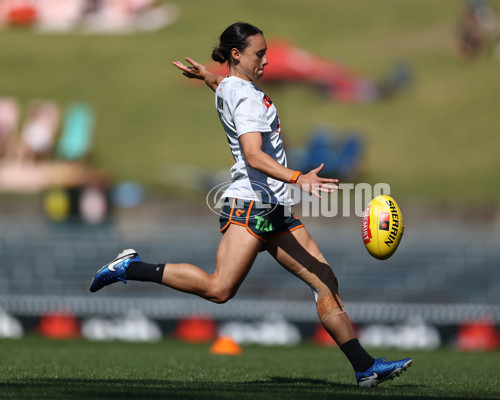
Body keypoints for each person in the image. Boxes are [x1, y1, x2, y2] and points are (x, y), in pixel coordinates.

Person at [89, 22, 412, 388]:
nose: (266, 61)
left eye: (266, 53)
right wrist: (298, 177)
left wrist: (208, 75)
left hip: (272, 208)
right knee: (219, 289)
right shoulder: (246, 96)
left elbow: (223, 85)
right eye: (260, 54)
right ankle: (130, 267)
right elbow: (254, 155)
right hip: (251, 207)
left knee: (325, 280)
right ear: (237, 54)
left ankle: (364, 368)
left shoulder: (230, 85)